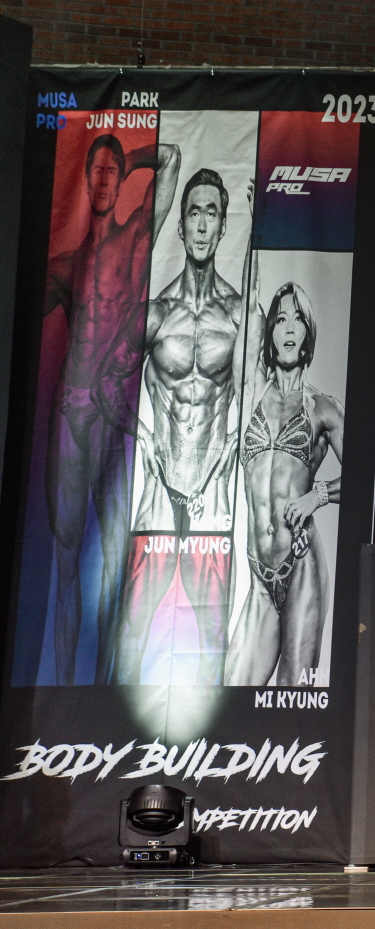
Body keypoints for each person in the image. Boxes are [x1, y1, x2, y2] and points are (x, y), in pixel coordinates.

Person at [44, 135, 179, 684]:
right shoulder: (63, 266)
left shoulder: (137, 239)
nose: (102, 181)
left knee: (120, 561)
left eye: (111, 172)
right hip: (69, 414)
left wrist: (127, 158)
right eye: (95, 171)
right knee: (66, 560)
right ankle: (63, 690)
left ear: (121, 180)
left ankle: (103, 691)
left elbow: (170, 158)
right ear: (83, 181)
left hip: (114, 417)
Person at [110, 167, 246, 685]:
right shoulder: (155, 314)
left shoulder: (238, 316)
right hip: (160, 496)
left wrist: (236, 443)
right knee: (132, 632)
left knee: (212, 640)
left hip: (212, 497)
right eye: (194, 212)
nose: (203, 224)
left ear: (224, 225)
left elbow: (264, 390)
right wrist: (141, 435)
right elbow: (101, 384)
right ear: (182, 225)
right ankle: (112, 730)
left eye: (212, 213)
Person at [226, 282, 344, 687]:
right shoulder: (251, 393)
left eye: (298, 319)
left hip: (301, 567)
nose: (290, 328)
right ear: (270, 333)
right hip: (260, 577)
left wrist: (318, 495)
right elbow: (246, 314)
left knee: (293, 699)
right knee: (233, 696)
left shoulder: (323, 408)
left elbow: (367, 478)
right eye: (280, 320)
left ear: (308, 332)